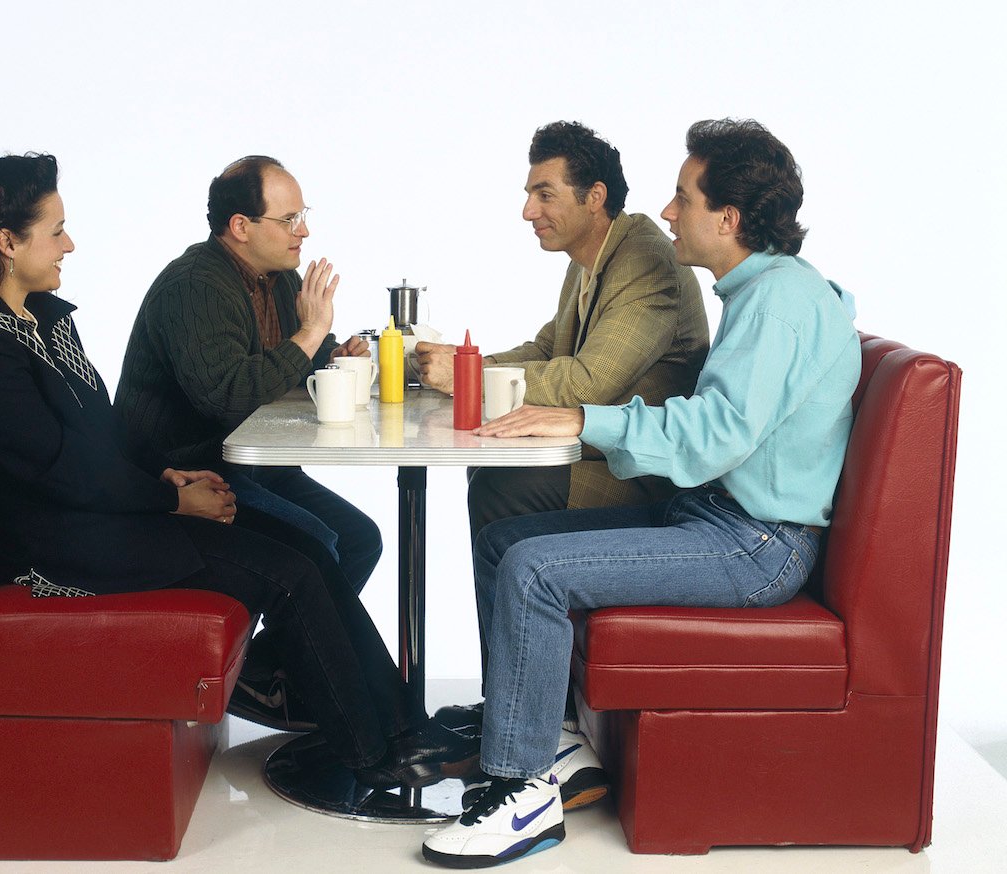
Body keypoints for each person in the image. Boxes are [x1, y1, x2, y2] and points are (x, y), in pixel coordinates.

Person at [0, 153, 476, 795]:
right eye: (55, 231)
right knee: (294, 571)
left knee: (309, 548)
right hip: (65, 547)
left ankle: (402, 727)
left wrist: (168, 478)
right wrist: (172, 501)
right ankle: (371, 753)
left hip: (113, 512)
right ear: (7, 242)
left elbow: (100, 441)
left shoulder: (44, 320)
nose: (70, 244)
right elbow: (57, 471)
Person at [422, 120, 861, 867]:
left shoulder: (780, 302)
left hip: (754, 543)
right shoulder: (760, 292)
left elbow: (718, 433)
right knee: (506, 542)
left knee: (535, 568)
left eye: (683, 197)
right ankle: (548, 737)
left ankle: (520, 791)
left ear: (728, 217)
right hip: (720, 518)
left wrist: (584, 417)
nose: (666, 211)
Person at [419, 121, 710, 731]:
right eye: (530, 194)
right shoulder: (590, 259)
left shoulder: (647, 261)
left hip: (641, 474)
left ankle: (521, 714)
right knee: (491, 477)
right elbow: (548, 348)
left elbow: (584, 384)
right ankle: (512, 704)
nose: (529, 210)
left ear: (594, 197)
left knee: (501, 487)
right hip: (597, 455)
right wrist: (458, 367)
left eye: (545, 194)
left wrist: (466, 380)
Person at [116, 156, 382, 729]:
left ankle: (265, 675)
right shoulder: (196, 286)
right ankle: (332, 694)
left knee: (360, 539)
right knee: (321, 542)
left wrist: (334, 354)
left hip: (255, 462)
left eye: (303, 216)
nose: (303, 231)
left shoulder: (277, 277)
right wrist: (310, 336)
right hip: (188, 474)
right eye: (289, 220)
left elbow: (293, 359)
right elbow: (230, 396)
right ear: (241, 226)